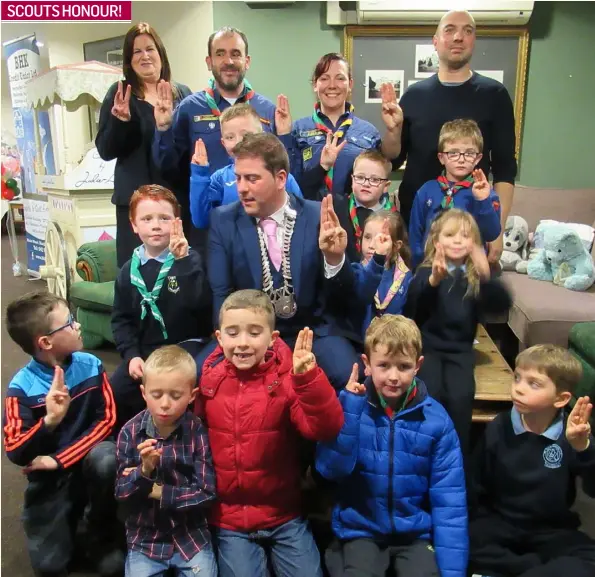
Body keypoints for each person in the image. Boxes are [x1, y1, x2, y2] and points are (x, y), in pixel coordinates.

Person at [195, 289, 344, 577]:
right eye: (233, 333)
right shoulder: (208, 382)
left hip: (284, 515)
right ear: (219, 337)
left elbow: (324, 428)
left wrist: (307, 378)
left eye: (254, 333)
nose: (243, 343)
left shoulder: (288, 378)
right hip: (231, 521)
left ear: (272, 338)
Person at [206, 131, 363, 390]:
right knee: (206, 375)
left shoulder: (319, 216)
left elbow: (345, 298)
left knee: (350, 373)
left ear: (280, 179)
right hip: (251, 333)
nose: (242, 188)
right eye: (238, 178)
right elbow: (221, 295)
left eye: (252, 178)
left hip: (313, 331)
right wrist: (236, 340)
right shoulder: (223, 221)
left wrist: (334, 259)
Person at [316, 315, 468, 577]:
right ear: (367, 364)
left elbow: (450, 504)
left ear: (418, 365)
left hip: (414, 533)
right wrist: (350, 410)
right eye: (384, 365)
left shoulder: (437, 422)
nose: (394, 376)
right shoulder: (349, 407)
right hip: (361, 529)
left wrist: (452, 573)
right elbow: (330, 470)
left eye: (404, 366)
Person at [3, 292, 121, 577]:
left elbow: (107, 420)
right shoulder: (21, 388)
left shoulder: (90, 364)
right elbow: (16, 450)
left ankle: (95, 523)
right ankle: (64, 522)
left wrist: (59, 459)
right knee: (50, 567)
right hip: (51, 482)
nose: (78, 325)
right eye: (69, 323)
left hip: (86, 463)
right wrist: (50, 422)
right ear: (45, 342)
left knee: (108, 459)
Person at [393, 10, 517, 268]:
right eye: (449, 30)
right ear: (436, 41)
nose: (459, 37)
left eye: (468, 31)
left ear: (474, 41)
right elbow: (394, 159)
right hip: (417, 227)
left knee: (467, 302)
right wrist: (392, 130)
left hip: (470, 231)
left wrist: (498, 230)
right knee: (417, 302)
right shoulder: (413, 96)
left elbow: (505, 169)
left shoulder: (495, 95)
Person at [470, 345, 595, 577]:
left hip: (550, 530)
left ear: (561, 398)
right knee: (464, 542)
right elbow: (476, 485)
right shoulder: (499, 426)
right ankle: (534, 569)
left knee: (589, 560)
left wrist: (583, 448)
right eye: (517, 378)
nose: (518, 389)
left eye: (533, 383)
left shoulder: (573, 433)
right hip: (499, 524)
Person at [404, 209, 512, 461]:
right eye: (450, 235)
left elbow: (499, 306)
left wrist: (486, 277)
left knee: (460, 397)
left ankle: (455, 460)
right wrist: (432, 281)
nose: (456, 241)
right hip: (429, 348)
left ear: (474, 244)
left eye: (465, 236)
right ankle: (425, 457)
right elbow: (413, 312)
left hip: (461, 352)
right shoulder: (426, 272)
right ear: (436, 240)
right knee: (429, 395)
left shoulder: (475, 278)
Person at [111, 184, 211, 429]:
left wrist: (184, 264)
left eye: (164, 218)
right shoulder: (128, 271)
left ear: (177, 222)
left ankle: (190, 439)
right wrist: (131, 355)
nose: (156, 225)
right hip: (145, 350)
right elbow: (121, 320)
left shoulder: (190, 260)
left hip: (185, 347)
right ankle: (127, 442)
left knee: (182, 386)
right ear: (134, 225)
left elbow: (202, 307)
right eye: (146, 219)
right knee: (117, 390)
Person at [115, 345, 217, 577]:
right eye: (156, 394)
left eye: (175, 395)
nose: (164, 404)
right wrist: (144, 470)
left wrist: (160, 492)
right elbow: (121, 492)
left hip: (190, 536)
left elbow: (207, 492)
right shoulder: (130, 432)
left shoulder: (198, 431)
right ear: (143, 393)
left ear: (192, 396)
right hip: (145, 538)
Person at [96, 22, 191, 267]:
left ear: (161, 54)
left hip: (174, 203)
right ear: (129, 60)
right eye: (137, 51)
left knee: (178, 275)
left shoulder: (182, 94)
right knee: (136, 276)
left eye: (150, 49)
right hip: (135, 206)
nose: (145, 56)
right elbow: (106, 151)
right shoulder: (119, 94)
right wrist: (121, 122)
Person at [152, 26, 278, 177]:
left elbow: (278, 167)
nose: (229, 61)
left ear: (247, 61)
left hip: (256, 200)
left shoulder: (268, 110)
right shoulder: (189, 108)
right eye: (220, 54)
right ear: (209, 62)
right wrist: (163, 128)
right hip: (206, 200)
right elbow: (167, 168)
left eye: (236, 54)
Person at [285, 52, 403, 198]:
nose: (332, 85)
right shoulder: (298, 130)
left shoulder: (368, 131)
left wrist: (394, 129)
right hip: (311, 215)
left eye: (340, 78)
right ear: (315, 84)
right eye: (324, 78)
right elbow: (290, 183)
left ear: (350, 84)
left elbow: (390, 158)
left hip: (355, 217)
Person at [189, 103, 302, 229]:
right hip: (233, 246)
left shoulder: (280, 176)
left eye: (245, 135)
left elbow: (300, 215)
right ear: (223, 142)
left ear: (261, 134)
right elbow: (200, 221)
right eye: (230, 137)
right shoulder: (220, 179)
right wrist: (199, 174)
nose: (238, 142)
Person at [408, 119, 501, 268]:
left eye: (469, 153)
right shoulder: (426, 190)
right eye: (453, 153)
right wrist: (419, 267)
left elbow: (492, 233)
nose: (461, 159)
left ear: (478, 158)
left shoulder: (484, 192)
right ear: (441, 158)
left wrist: (483, 201)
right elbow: (415, 234)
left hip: (470, 269)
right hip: (430, 266)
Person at [300, 146, 397, 263]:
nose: (366, 183)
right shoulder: (336, 206)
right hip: (341, 274)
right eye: (360, 177)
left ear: (386, 186)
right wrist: (323, 167)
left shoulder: (393, 217)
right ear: (352, 180)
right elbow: (303, 194)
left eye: (375, 180)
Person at [354, 211, 414, 336]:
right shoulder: (356, 271)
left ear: (396, 246)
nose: (371, 245)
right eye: (367, 237)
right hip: (360, 344)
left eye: (381, 239)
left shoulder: (406, 278)